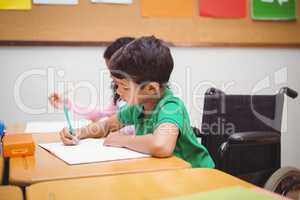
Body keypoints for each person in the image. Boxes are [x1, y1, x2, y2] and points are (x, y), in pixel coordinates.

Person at [59, 36, 215, 168]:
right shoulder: (138, 107)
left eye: (124, 87)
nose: (118, 91)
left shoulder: (171, 107)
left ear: (151, 89)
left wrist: (123, 140)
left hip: (197, 177)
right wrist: (79, 132)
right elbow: (106, 125)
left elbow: (161, 145)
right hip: (166, 174)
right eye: (117, 85)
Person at [49, 37, 135, 134]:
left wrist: (110, 132)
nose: (111, 76)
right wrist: (69, 105)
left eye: (115, 72)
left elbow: (132, 129)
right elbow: (105, 115)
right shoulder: (120, 95)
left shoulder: (141, 104)